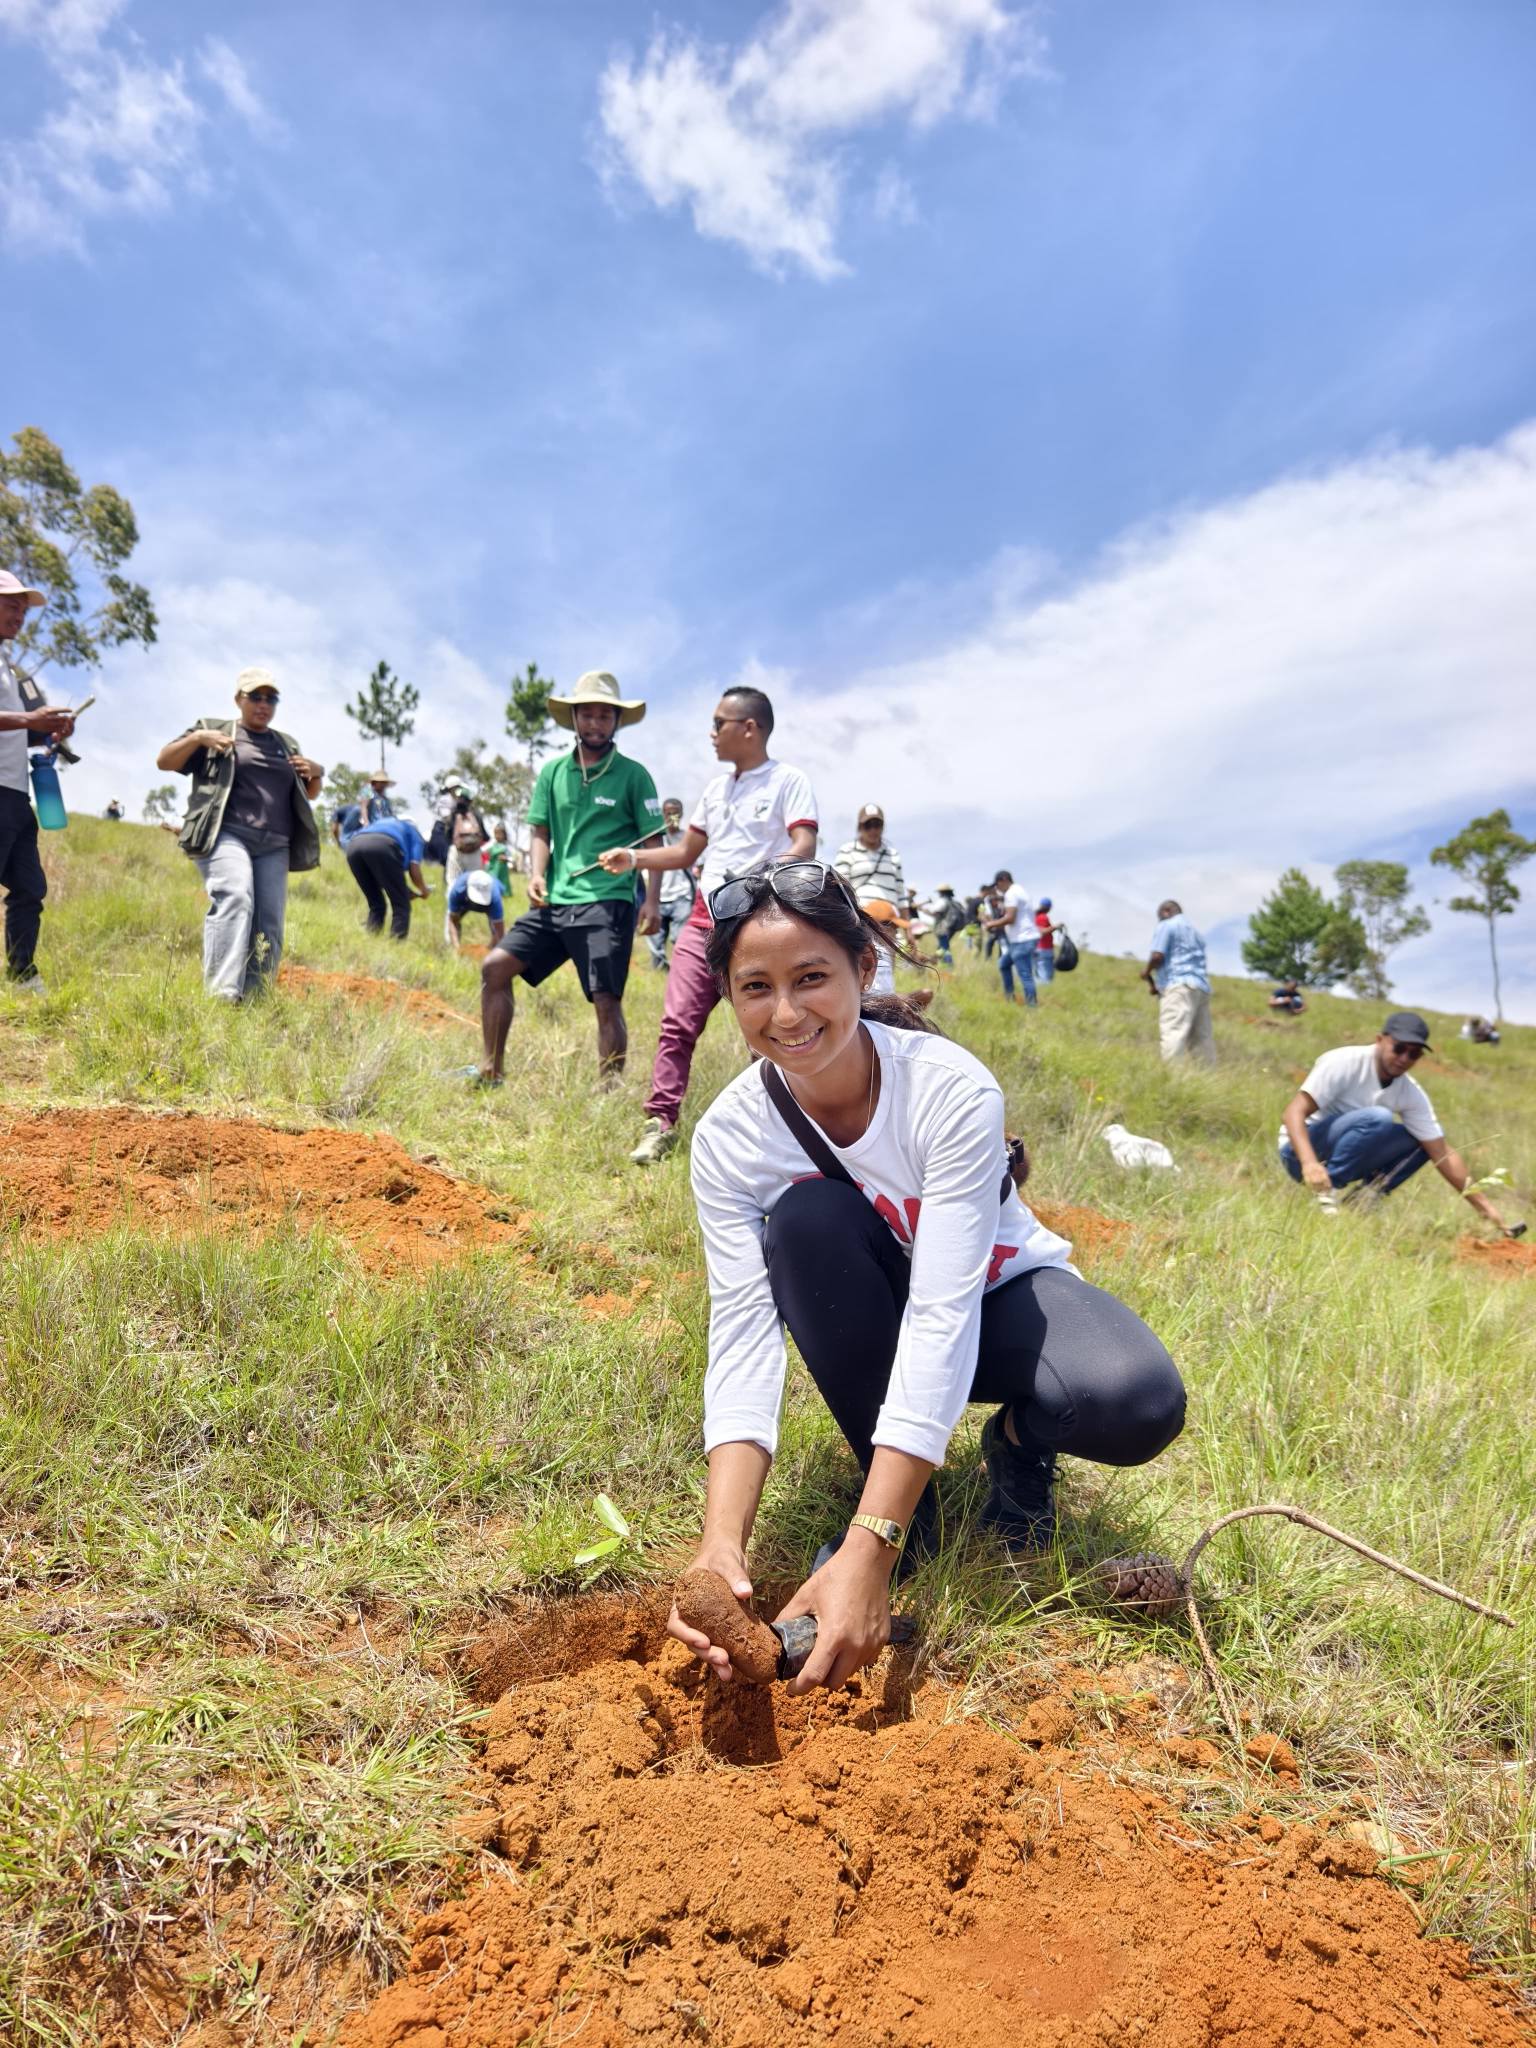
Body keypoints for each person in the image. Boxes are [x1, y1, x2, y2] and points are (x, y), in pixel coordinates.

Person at [669, 862, 1185, 1694]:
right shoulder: (732, 1138)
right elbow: (742, 1337)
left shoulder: (946, 1090)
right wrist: (719, 1544)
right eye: (756, 987)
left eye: (812, 978)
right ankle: (920, 1512)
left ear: (863, 970)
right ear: (728, 996)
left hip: (997, 1303)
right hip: (872, 1315)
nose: (788, 1012)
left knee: (1135, 1401)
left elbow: (945, 1315)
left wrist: (869, 1541)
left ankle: (1010, 1454)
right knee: (804, 1222)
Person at [599, 685, 817, 1163]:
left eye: (720, 723)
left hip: (759, 925)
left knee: (769, 1032)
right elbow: (685, 853)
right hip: (703, 921)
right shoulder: (717, 790)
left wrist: (761, 878)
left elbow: (804, 843)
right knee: (676, 1025)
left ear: (749, 728)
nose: (712, 733)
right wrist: (632, 857)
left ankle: (777, 1137)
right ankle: (660, 1123)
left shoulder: (788, 781)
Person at [479, 670, 662, 1086]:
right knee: (495, 967)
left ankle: (607, 1090)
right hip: (555, 900)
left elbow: (654, 844)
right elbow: (541, 830)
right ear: (574, 718)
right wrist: (536, 875)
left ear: (616, 721)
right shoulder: (552, 773)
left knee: (605, 998)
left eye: (604, 715)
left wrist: (651, 900)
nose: (595, 723)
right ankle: (491, 1071)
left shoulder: (634, 776)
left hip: (607, 902)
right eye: (588, 715)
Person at [156, 668, 322, 1001]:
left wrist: (318, 773)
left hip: (275, 845)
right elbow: (164, 761)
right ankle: (222, 995)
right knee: (235, 895)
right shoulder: (214, 730)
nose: (263, 704)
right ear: (238, 699)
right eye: (255, 697)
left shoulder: (285, 744)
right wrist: (197, 740)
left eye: (271, 698)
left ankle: (256, 1000)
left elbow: (310, 793)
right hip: (227, 834)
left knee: (269, 920)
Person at [1278, 1011, 1521, 1231]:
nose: (1404, 1058)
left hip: (1338, 1158)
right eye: (1399, 1048)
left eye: (1414, 1053)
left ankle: (1361, 1202)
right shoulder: (1344, 1062)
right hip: (1299, 1153)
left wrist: (1485, 1208)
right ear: (1380, 1040)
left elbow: (1442, 1152)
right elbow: (1292, 1113)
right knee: (1378, 1117)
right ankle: (1324, 1194)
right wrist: (1310, 1164)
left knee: (1422, 1142)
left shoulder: (1410, 1092)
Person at [0, 571, 76, 992]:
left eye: (23, 609)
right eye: (12, 605)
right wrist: (31, 719)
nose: (20, 615)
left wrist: (47, 732)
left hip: (15, 794)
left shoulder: (9, 669)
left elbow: (16, 730)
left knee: (30, 887)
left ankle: (21, 975)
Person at [834, 804, 907, 997]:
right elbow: (841, 887)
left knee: (886, 971)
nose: (873, 830)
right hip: (862, 918)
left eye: (877, 825)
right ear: (860, 827)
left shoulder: (893, 855)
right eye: (868, 825)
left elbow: (901, 894)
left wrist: (909, 928)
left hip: (890, 920)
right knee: (864, 967)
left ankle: (884, 1011)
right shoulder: (848, 851)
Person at [1143, 899, 1214, 1062]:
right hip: (1201, 987)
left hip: (1177, 984)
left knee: (1174, 1030)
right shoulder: (1196, 934)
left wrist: (1146, 971)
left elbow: (1157, 955)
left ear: (1166, 912)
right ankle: (1207, 1078)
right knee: (1202, 1038)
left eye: (1160, 916)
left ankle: (1172, 1075)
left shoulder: (1167, 925)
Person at [344, 812, 432, 938]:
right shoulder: (414, 832)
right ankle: (396, 945)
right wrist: (424, 890)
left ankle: (371, 938)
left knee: (376, 903)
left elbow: (385, 875)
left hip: (354, 846)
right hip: (384, 846)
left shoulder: (383, 823)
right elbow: (414, 870)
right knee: (401, 905)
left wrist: (405, 891)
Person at [647, 797, 696, 970]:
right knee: (655, 941)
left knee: (680, 939)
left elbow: (700, 867)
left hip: (681, 896)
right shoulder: (653, 839)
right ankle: (660, 972)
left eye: (675, 813)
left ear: (681, 815)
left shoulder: (688, 839)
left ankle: (681, 971)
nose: (671, 817)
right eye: (667, 813)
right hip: (658, 897)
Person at [983, 869, 1038, 1007]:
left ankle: (1032, 1006)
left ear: (1003, 880)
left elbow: (1010, 918)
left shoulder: (1011, 893)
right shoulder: (1020, 890)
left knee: (1025, 974)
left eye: (997, 884)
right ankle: (1010, 998)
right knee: (1004, 964)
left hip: (1022, 940)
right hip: (1021, 939)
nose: (997, 888)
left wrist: (991, 924)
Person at [442, 786, 489, 944]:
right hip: (474, 854)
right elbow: (485, 835)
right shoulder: (476, 815)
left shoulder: (453, 815)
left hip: (457, 852)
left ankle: (451, 934)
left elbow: (447, 834)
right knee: (475, 887)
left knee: (452, 887)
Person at [447, 865, 506, 952]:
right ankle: (455, 948)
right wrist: (457, 948)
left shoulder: (495, 895)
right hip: (465, 900)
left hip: (489, 902)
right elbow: (452, 920)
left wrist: (490, 950)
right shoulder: (458, 890)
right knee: (455, 921)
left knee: (497, 938)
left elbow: (499, 930)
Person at [929, 886, 966, 967]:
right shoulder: (954, 902)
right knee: (941, 947)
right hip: (952, 928)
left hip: (942, 928)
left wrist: (924, 910)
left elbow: (934, 912)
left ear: (942, 892)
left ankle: (949, 966)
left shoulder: (942, 901)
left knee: (945, 948)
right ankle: (934, 961)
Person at [1034, 898, 1061, 985]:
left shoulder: (1036, 916)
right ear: (1049, 908)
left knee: (1040, 972)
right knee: (1046, 975)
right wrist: (1056, 927)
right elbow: (1042, 932)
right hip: (1044, 948)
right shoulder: (1042, 917)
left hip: (1039, 948)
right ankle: (1044, 993)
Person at [484, 819, 513, 892]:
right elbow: (483, 851)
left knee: (503, 881)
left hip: (502, 869)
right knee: (493, 880)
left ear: (504, 835)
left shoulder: (506, 846)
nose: (498, 836)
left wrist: (506, 859)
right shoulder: (492, 845)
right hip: (493, 868)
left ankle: (504, 892)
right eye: (496, 834)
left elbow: (511, 858)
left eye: (500, 834)